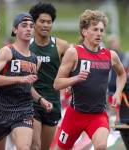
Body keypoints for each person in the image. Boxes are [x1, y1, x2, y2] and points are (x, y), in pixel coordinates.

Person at [53, 9, 126, 150]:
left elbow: (122, 75)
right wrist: (75, 79)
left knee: (101, 146)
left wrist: (118, 92)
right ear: (85, 32)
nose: (99, 33)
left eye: (101, 30)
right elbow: (57, 84)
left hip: (98, 115)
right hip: (75, 115)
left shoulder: (110, 55)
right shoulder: (74, 53)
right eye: (95, 29)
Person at [0, 12, 53, 150]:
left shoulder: (35, 60)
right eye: (24, 26)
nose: (29, 29)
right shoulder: (7, 51)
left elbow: (28, 86)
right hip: (1, 109)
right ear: (15, 30)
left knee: (24, 147)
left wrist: (40, 99)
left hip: (24, 109)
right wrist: (19, 78)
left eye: (31, 26)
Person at [29, 2, 70, 150]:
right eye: (42, 21)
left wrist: (70, 83)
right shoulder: (27, 45)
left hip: (53, 103)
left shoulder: (61, 46)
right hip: (31, 102)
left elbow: (74, 65)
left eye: (49, 22)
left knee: (44, 148)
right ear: (34, 23)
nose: (46, 25)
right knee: (35, 146)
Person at [107, 34, 129, 149]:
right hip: (109, 90)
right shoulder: (106, 56)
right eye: (111, 42)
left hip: (122, 90)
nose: (113, 44)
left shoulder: (125, 57)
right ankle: (113, 134)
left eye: (114, 42)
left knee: (120, 113)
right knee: (112, 113)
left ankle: (118, 136)